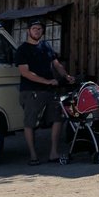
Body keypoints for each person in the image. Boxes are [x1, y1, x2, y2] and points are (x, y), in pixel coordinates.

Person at [16, 18, 74, 165]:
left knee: (58, 119)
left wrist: (65, 75)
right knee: (30, 123)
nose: (37, 31)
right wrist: (47, 81)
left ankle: (53, 153)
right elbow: (25, 73)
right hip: (31, 91)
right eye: (34, 28)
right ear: (28, 31)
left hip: (50, 90)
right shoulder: (22, 50)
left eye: (40, 29)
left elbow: (56, 64)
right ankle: (33, 156)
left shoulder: (46, 46)